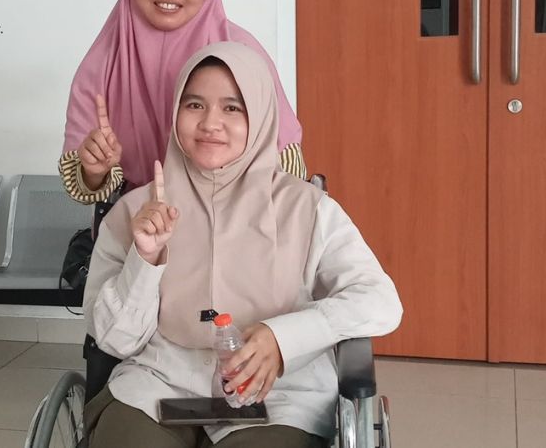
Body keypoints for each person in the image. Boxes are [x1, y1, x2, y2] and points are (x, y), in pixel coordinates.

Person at [82, 41, 403, 448]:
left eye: (232, 108)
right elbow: (114, 341)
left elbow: (380, 301)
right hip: (160, 382)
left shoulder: (308, 210)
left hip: (280, 394)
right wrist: (145, 258)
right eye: (194, 105)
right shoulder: (135, 212)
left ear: (263, 116)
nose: (210, 123)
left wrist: (281, 338)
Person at [60, 0, 304, 205]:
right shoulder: (103, 63)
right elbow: (80, 186)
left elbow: (286, 160)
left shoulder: (241, 53)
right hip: (136, 228)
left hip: (235, 226)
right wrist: (95, 169)